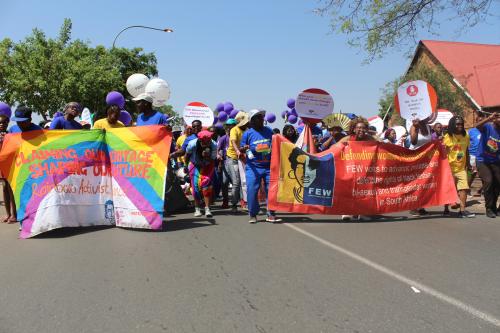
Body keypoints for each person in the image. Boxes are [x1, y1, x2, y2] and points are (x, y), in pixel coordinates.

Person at [240, 109, 280, 223]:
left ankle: (271, 213)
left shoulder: (269, 131)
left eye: (262, 117)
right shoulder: (247, 134)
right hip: (253, 168)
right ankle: (253, 214)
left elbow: (276, 145)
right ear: (252, 121)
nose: (261, 119)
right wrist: (244, 149)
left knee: (271, 190)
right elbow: (243, 148)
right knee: (252, 190)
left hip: (268, 167)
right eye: (258, 117)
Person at [337, 117, 376, 221]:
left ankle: (363, 211)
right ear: (354, 129)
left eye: (363, 128)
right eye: (358, 128)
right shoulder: (348, 139)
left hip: (365, 170)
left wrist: (375, 135)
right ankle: (347, 212)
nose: (361, 130)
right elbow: (335, 148)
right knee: (349, 189)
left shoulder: (370, 139)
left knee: (364, 190)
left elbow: (382, 146)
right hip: (350, 168)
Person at [442, 116, 475, 218]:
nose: (460, 126)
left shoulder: (466, 136)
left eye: (461, 124)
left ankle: (462, 210)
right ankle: (446, 208)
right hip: (449, 167)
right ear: (452, 125)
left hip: (461, 168)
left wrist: (468, 164)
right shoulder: (448, 136)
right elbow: (443, 152)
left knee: (464, 188)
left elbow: (466, 150)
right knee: (450, 188)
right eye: (457, 124)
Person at [185, 130, 217, 218]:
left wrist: (206, 156)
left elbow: (213, 159)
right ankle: (197, 208)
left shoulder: (213, 145)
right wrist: (185, 166)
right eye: (204, 142)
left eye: (208, 142)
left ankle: (207, 208)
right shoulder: (192, 144)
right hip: (194, 165)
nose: (207, 144)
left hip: (207, 166)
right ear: (200, 140)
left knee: (206, 187)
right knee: (195, 187)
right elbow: (187, 155)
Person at [475, 112, 500, 218]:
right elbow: (477, 126)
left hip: (495, 161)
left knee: (498, 183)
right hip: (482, 160)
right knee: (489, 181)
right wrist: (489, 118)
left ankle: (495, 208)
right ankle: (489, 208)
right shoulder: (487, 127)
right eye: (498, 116)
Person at [408, 117, 434, 216]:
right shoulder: (413, 127)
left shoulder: (428, 127)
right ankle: (413, 207)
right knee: (416, 183)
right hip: (415, 158)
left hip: (425, 159)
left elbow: (429, 142)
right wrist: (416, 127)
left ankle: (421, 206)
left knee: (424, 182)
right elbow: (413, 142)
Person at [226, 112, 249, 213]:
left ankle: (245, 201)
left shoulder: (248, 131)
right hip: (233, 158)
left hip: (244, 158)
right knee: (236, 182)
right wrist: (238, 151)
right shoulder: (234, 130)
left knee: (245, 181)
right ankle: (234, 204)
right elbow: (233, 142)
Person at [0, 114, 17, 223]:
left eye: (4, 122)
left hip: (10, 164)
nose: (2, 124)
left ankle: (14, 215)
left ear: (8, 123)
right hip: (1, 165)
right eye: (0, 123)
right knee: (5, 188)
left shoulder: (11, 134)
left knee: (11, 189)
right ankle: (8, 214)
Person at [217, 119, 237, 208]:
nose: (229, 128)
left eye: (231, 125)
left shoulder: (238, 136)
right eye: (228, 126)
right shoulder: (223, 138)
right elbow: (217, 150)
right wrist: (218, 156)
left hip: (236, 162)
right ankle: (225, 201)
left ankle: (236, 202)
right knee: (224, 183)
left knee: (236, 183)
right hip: (225, 163)